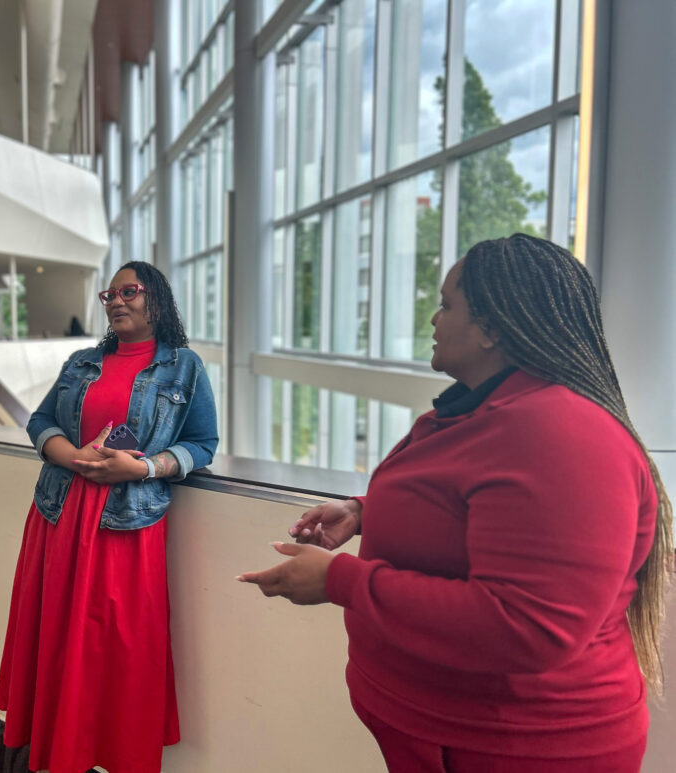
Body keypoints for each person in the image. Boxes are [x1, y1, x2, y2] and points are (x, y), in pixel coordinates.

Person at [239, 234, 673, 772]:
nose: (433, 320)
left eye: (447, 305)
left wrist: (339, 581)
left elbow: (528, 626)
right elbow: (475, 504)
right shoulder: (492, 411)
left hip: (518, 749)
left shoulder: (562, 433)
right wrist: (365, 511)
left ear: (491, 328)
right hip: (447, 732)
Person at [0, 261, 218, 773]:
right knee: (57, 639)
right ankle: (58, 751)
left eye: (129, 291)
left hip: (128, 526)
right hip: (60, 514)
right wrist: (70, 457)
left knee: (119, 649)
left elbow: (202, 445)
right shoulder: (80, 362)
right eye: (108, 294)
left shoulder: (185, 367)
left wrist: (141, 467)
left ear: (155, 299)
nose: (116, 301)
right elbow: (41, 420)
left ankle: (110, 753)